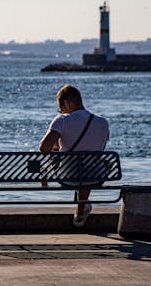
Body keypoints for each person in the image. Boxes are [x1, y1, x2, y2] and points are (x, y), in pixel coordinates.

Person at [39, 84, 109, 227]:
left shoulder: (62, 120)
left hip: (67, 177)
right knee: (88, 162)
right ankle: (80, 211)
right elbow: (97, 148)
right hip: (96, 176)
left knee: (58, 151)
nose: (61, 111)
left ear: (67, 103)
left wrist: (57, 144)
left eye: (61, 108)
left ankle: (44, 172)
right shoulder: (103, 122)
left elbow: (43, 148)